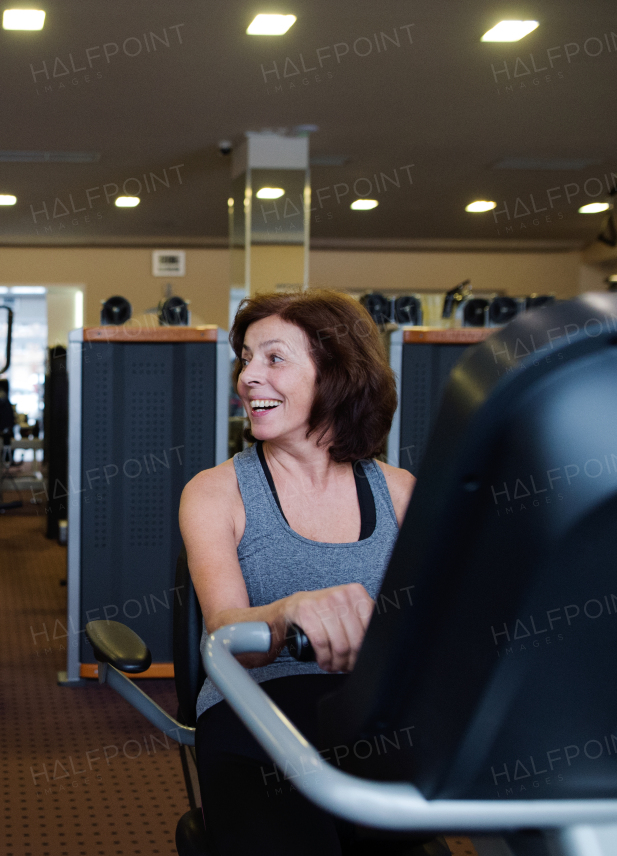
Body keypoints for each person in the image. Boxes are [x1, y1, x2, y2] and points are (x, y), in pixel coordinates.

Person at [180, 290, 416, 855]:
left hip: (371, 716)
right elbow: (228, 635)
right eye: (246, 358)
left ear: (335, 373)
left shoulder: (401, 493)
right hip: (255, 713)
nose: (246, 377)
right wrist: (286, 612)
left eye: (274, 358)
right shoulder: (216, 492)